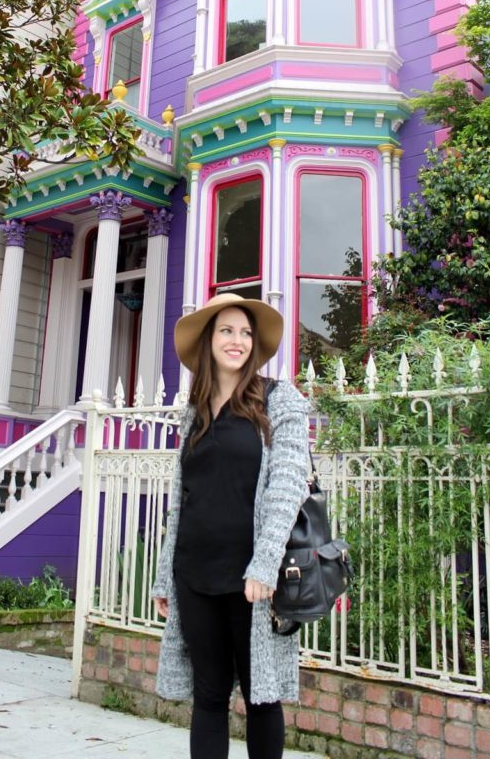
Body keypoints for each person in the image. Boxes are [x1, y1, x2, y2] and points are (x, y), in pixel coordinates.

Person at [151, 292, 310, 759]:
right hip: (195, 573)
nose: (237, 340)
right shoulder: (193, 410)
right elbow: (181, 501)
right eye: (226, 330)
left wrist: (264, 565)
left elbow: (287, 488)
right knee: (209, 696)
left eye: (245, 332)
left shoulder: (279, 400)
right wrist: (166, 573)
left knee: (261, 699)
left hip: (252, 581)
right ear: (209, 340)